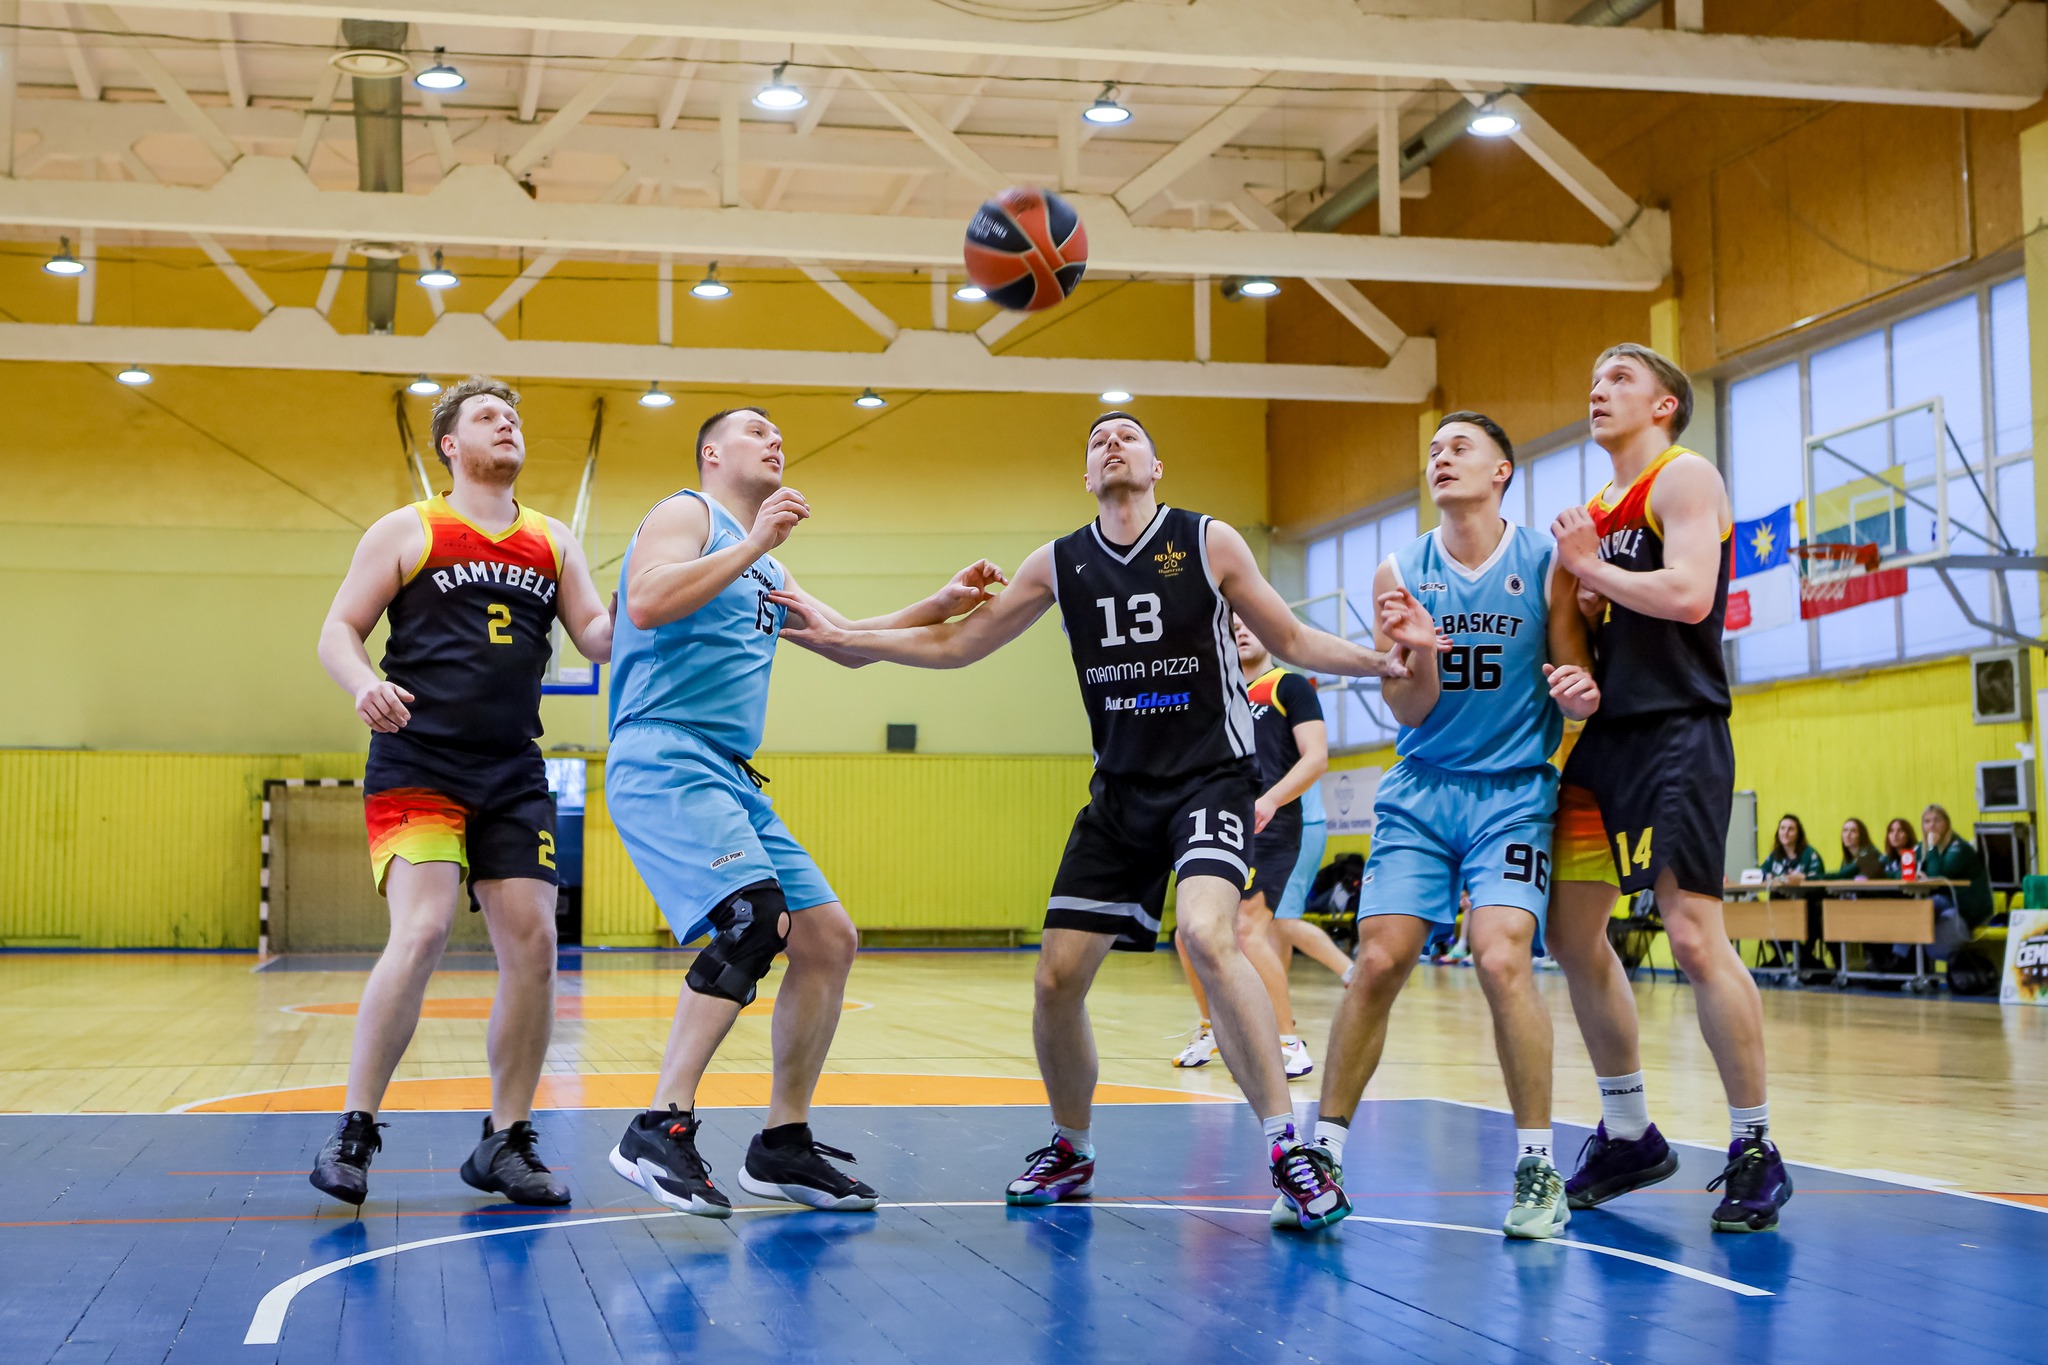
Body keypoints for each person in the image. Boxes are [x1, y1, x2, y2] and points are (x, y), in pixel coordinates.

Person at [773, 410, 1442, 1231]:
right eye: (1097, 440)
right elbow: (955, 645)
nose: (1112, 442)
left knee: (1208, 934)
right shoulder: (1059, 562)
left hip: (1210, 780)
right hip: (1121, 795)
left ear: (1157, 465)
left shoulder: (1209, 540)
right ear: (1086, 477)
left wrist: (1380, 660)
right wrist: (848, 637)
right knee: (1055, 979)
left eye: (1127, 435)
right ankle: (1072, 1146)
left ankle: (1286, 1149)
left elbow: (1294, 636)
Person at [603, 406, 1007, 1218]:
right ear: (711, 452)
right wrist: (754, 543)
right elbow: (643, 603)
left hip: (730, 772)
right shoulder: (687, 513)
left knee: (827, 938)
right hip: (663, 752)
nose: (775, 439)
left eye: (779, 433)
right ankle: (658, 1126)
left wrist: (938, 604)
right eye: (756, 430)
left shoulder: (761, 564)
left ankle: (781, 1142)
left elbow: (844, 640)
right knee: (755, 918)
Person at [310, 376, 614, 1207]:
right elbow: (338, 629)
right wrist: (364, 683)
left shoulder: (552, 539)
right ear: (450, 444)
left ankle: (505, 1139)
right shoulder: (409, 528)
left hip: (512, 768)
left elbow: (597, 636)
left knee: (537, 944)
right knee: (424, 928)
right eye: (487, 416)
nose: (506, 423)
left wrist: (657, 598)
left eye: (512, 416)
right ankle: (354, 1128)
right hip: (419, 759)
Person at [1307, 411, 1600, 1241]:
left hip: (1513, 791)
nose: (1441, 457)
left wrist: (1580, 691)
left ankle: (1538, 1165)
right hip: (1423, 788)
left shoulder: (1543, 561)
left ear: (1503, 469)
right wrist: (1423, 651)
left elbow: (1572, 667)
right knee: (1378, 959)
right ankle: (1322, 1153)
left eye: (1459, 447)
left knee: (1501, 955)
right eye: (1433, 450)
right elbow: (1407, 706)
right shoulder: (1401, 569)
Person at [1547, 343, 1793, 1234]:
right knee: (1570, 932)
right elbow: (1567, 629)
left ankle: (1756, 1145)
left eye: (1620, 378)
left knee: (1691, 933)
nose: (1598, 388)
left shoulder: (1684, 477)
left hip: (1679, 728)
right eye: (1594, 377)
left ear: (1664, 405)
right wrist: (1572, 671)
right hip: (1605, 742)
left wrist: (1593, 569)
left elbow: (1690, 594)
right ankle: (1628, 1132)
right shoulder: (1589, 515)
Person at [1170, 617, 1329, 1079]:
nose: (1240, 632)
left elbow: (1316, 757)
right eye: (1231, 626)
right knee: (1187, 933)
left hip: (1271, 824)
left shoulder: (1288, 686)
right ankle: (1212, 1029)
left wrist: (1270, 800)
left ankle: (1288, 1041)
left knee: (1247, 930)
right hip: (1220, 824)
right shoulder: (1216, 692)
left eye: (1249, 624)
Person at [1917, 804, 1993, 958]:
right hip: (1945, 901)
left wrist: (1932, 848)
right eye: (1927, 821)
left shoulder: (1959, 848)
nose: (1932, 825)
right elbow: (1906, 870)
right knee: (1911, 910)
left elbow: (1938, 875)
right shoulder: (1921, 847)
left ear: (1947, 823)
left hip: (1967, 906)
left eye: (1937, 820)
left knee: (1927, 905)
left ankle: (1901, 957)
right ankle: (1901, 958)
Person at [1760, 813, 1830, 980]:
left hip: (1808, 909)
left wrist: (1803, 878)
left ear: (1798, 833)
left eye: (1790, 829)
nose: (1785, 832)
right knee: (1767, 917)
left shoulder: (1810, 854)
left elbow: (1819, 879)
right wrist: (1766, 876)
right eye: (1782, 828)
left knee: (1810, 916)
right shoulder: (1774, 856)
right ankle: (1804, 958)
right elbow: (1760, 873)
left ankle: (1804, 958)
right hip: (1781, 910)